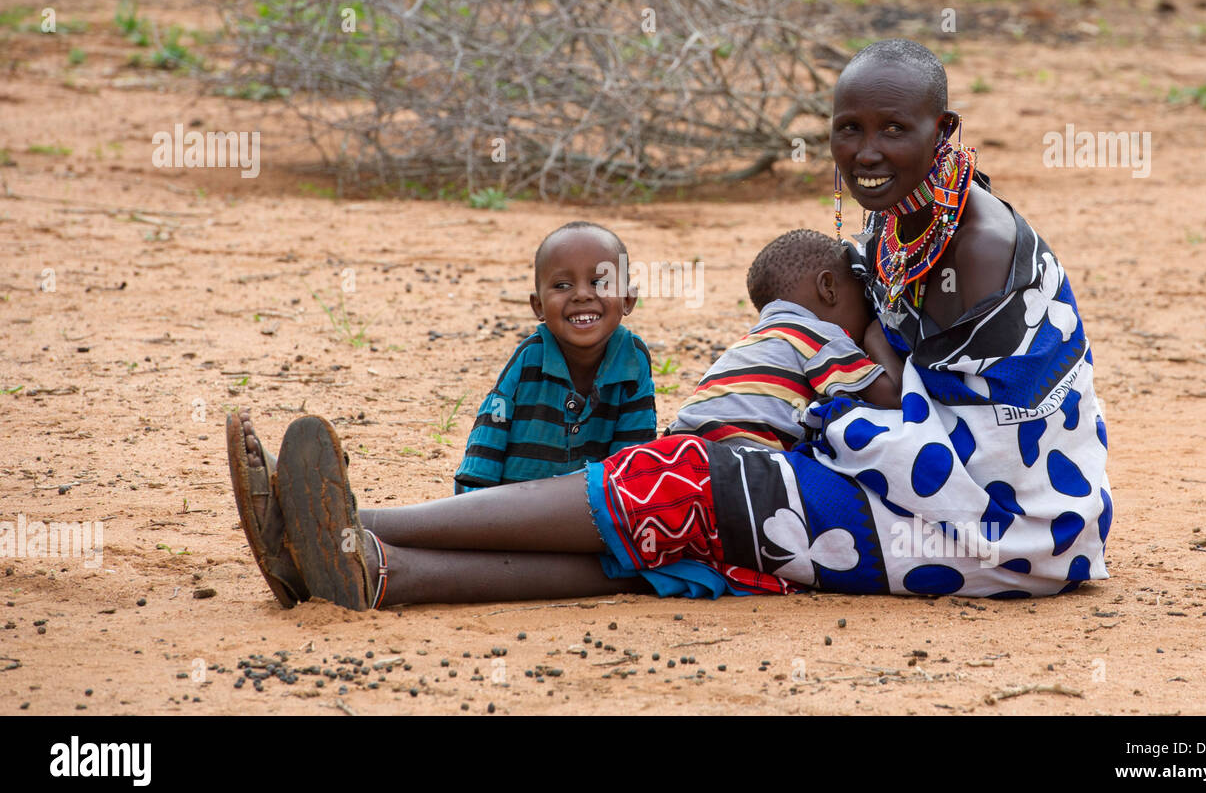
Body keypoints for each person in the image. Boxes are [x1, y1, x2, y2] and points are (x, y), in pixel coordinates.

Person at [227, 39, 1111, 609]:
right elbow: (894, 371)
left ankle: (354, 522)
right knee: (696, 515)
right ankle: (374, 568)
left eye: (893, 129)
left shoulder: (975, 249)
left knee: (694, 482)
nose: (866, 153)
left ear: (944, 129)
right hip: (938, 491)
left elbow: (973, 454)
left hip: (1001, 529)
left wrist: (830, 418)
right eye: (848, 130)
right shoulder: (909, 218)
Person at [453, 221, 657, 494]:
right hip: (510, 508)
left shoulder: (632, 359)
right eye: (562, 285)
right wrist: (473, 502)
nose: (582, 295)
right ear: (538, 305)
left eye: (600, 282)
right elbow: (493, 424)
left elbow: (633, 455)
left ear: (628, 300)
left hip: (587, 513)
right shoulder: (530, 358)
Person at [668, 228, 902, 453]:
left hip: (677, 448)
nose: (869, 305)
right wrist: (876, 336)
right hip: (740, 459)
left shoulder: (751, 343)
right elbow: (894, 397)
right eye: (862, 293)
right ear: (828, 288)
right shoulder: (821, 336)